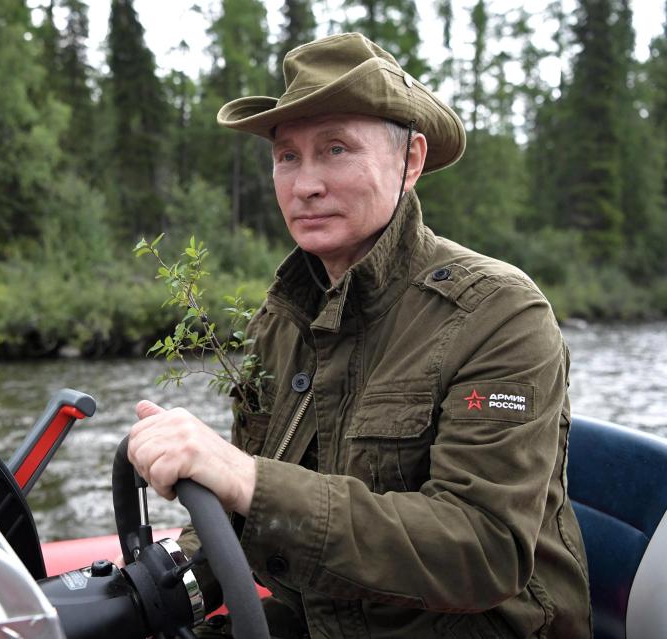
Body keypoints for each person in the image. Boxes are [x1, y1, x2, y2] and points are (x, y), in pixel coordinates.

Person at [126, 33, 591, 638]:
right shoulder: (283, 319)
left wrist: (246, 477)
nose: (304, 184)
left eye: (336, 149)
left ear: (411, 161)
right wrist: (165, 588)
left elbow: (483, 551)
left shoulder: (499, 314)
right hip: (318, 618)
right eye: (287, 156)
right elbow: (243, 513)